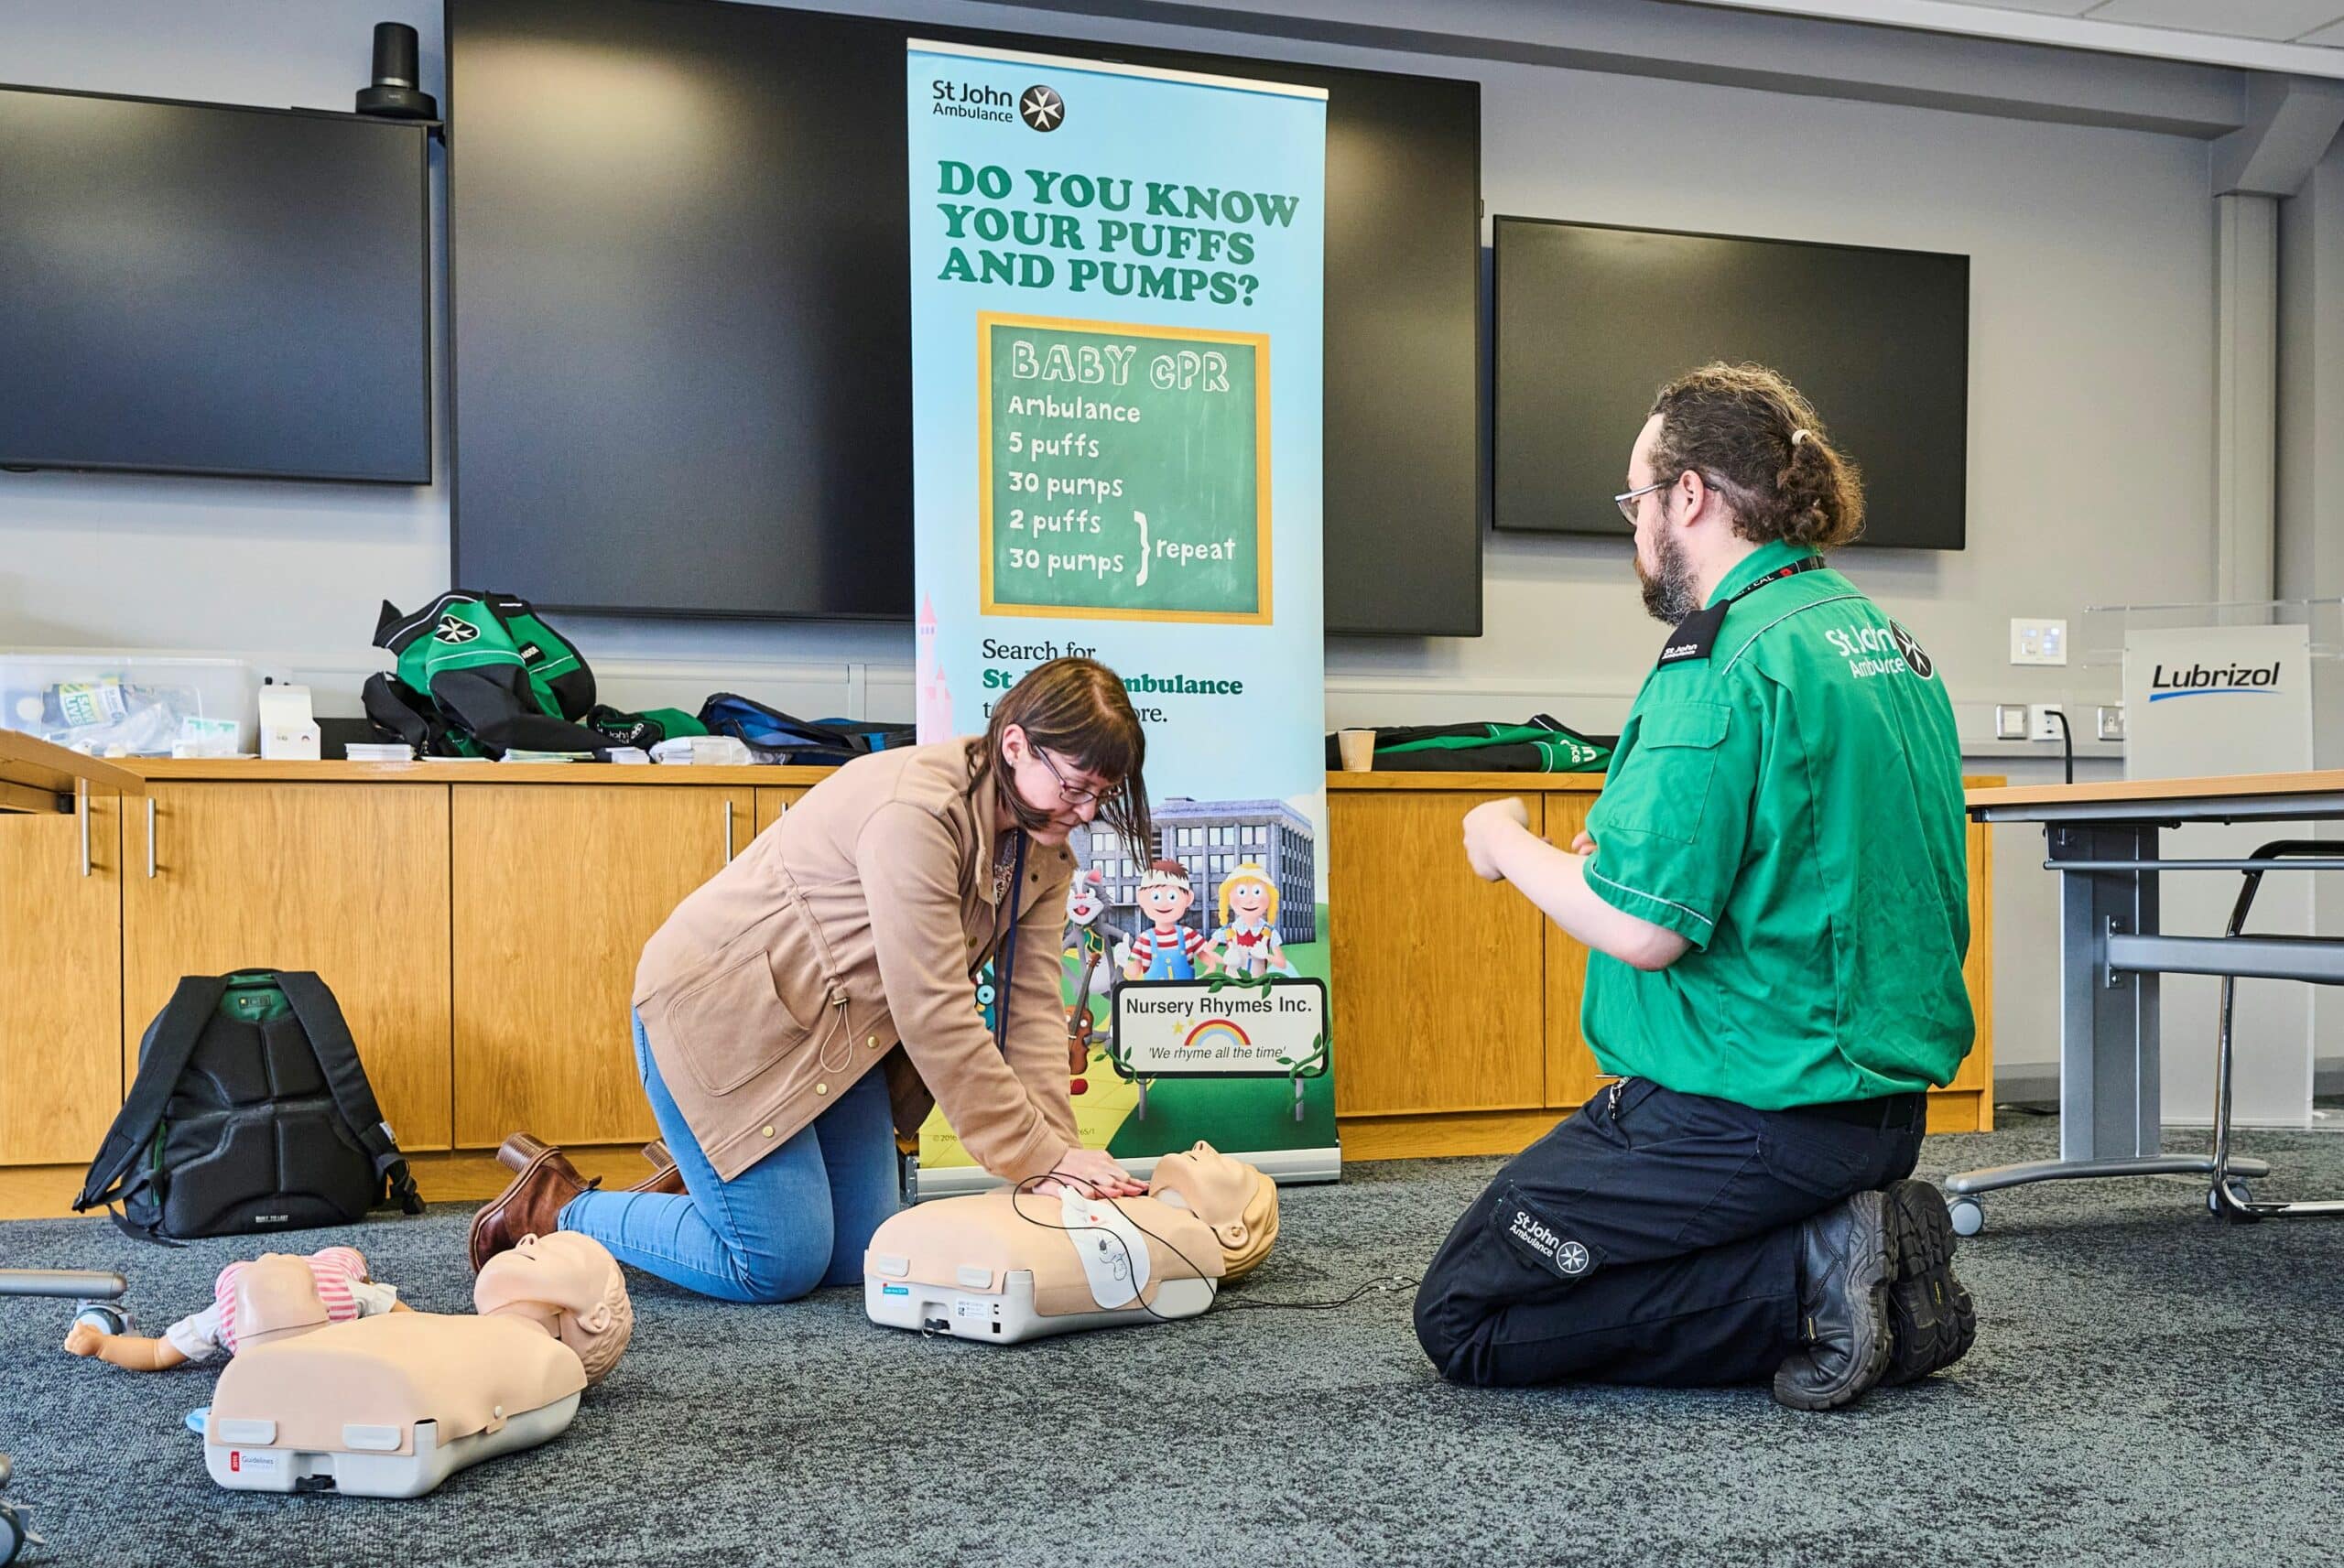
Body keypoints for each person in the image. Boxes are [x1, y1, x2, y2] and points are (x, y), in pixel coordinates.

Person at [1413, 363, 1977, 1411]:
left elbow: (1638, 930)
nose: (1634, 533)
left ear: (1690, 497)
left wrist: (1500, 839)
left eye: (1637, 502)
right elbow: (1805, 860)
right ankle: (1842, 1257)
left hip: (1745, 1107)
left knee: (1465, 1314)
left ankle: (1807, 1286)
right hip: (1875, 1111)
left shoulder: (1716, 662)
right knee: (1596, 1258)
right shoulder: (1878, 643)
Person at [468, 657, 1155, 1303]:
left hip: (833, 1040)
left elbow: (1030, 1008)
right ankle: (560, 1206)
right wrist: (1035, 1157)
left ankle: (719, 1185)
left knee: (867, 1249)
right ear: (1014, 746)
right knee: (776, 1264)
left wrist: (1062, 1163)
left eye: (1101, 794)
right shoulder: (915, 815)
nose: (1087, 811)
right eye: (1074, 786)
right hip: (722, 1022)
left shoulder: (1043, 848)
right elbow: (935, 1010)